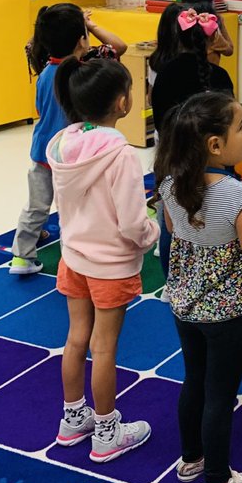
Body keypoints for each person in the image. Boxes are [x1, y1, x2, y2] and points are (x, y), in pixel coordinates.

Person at [157, 93, 242, 483]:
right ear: (214, 144)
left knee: (194, 381)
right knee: (220, 394)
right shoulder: (240, 198)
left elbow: (174, 229)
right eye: (240, 127)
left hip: (185, 306)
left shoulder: (171, 184)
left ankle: (192, 459)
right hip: (229, 314)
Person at [50, 51, 158, 462]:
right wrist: (152, 234)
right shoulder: (121, 154)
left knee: (76, 339)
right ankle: (107, 431)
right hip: (111, 266)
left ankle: (73, 418)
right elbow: (133, 224)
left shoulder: (62, 144)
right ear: (122, 102)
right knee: (105, 347)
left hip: (73, 256)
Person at [11, 4, 127, 276]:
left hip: (42, 151)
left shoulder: (44, 72)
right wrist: (90, 25)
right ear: (81, 40)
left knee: (36, 206)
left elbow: (42, 110)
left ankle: (21, 257)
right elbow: (118, 48)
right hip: (72, 156)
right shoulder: (81, 73)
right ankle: (74, 259)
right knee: (72, 210)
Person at [151, 8, 233, 133]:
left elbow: (159, 120)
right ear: (212, 40)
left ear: (178, 37)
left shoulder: (164, 72)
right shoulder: (220, 76)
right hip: (209, 148)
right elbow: (228, 121)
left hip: (171, 146)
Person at [180, 0, 234, 66]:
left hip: (210, 72)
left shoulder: (216, 20)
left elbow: (229, 50)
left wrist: (213, 36)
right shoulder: (182, 22)